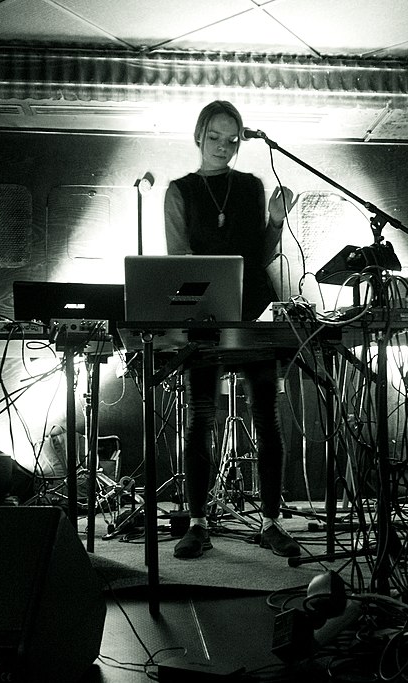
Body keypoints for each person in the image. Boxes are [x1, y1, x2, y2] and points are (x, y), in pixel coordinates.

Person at [164, 100, 301, 559]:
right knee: (201, 420)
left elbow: (260, 255)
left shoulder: (251, 186)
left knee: (267, 418)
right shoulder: (179, 190)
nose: (224, 147)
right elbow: (180, 258)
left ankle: (270, 521)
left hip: (253, 313)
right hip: (204, 318)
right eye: (215, 137)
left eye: (232, 140)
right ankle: (199, 523)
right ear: (199, 135)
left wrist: (277, 223)